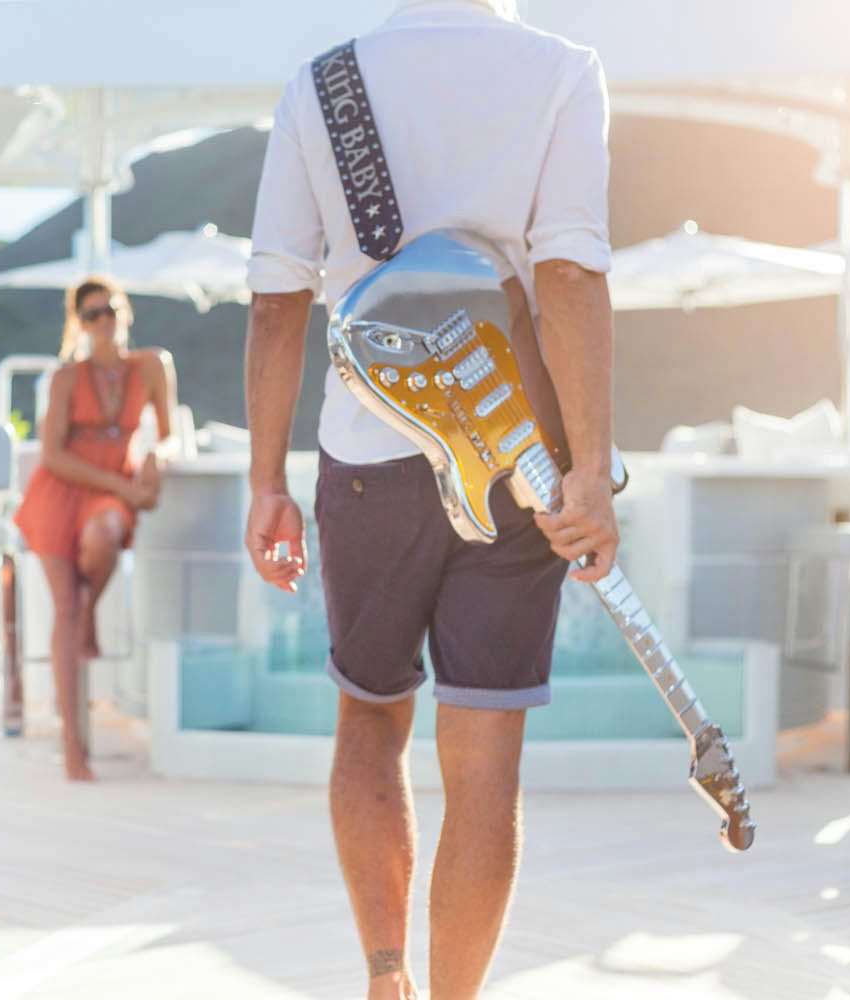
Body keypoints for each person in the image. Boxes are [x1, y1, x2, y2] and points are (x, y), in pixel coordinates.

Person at [242, 2, 618, 997]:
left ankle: (384, 973)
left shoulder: (323, 82)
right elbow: (572, 276)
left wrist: (265, 484)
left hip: (366, 452)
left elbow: (279, 300)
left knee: (370, 723)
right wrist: (590, 469)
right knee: (485, 760)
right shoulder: (562, 70)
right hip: (515, 462)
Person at [14, 276, 178, 782]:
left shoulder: (153, 365)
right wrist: (126, 487)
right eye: (91, 314)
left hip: (108, 495)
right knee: (63, 610)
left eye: (109, 309)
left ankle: (91, 611)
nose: (103, 320)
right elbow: (54, 455)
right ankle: (72, 747)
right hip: (60, 490)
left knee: (105, 534)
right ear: (78, 324)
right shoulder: (66, 379)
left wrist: (154, 457)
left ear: (125, 311)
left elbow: (171, 436)